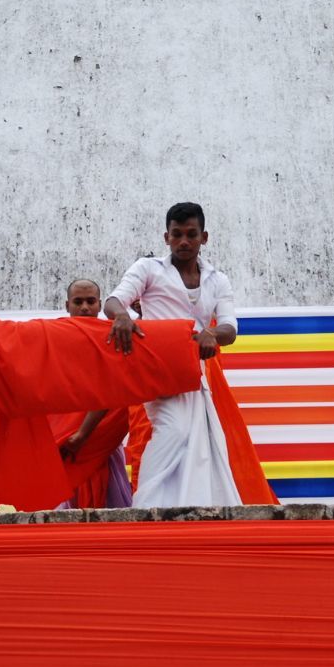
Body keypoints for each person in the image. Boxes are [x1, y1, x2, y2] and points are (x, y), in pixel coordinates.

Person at [104, 202, 275, 507]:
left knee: (206, 442)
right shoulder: (148, 269)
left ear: (203, 237)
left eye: (191, 234)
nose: (184, 241)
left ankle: (192, 506)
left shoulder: (218, 280)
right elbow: (115, 299)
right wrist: (122, 316)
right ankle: (148, 507)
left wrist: (212, 335)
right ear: (166, 237)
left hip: (196, 373)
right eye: (177, 234)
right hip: (156, 369)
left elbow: (229, 328)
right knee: (174, 430)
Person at [54, 279, 134, 508]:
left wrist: (84, 433)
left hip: (101, 439)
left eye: (90, 301)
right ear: (67, 305)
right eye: (78, 302)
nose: (85, 308)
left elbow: (114, 388)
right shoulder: (54, 338)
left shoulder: (116, 337)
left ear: (100, 305)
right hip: (64, 439)